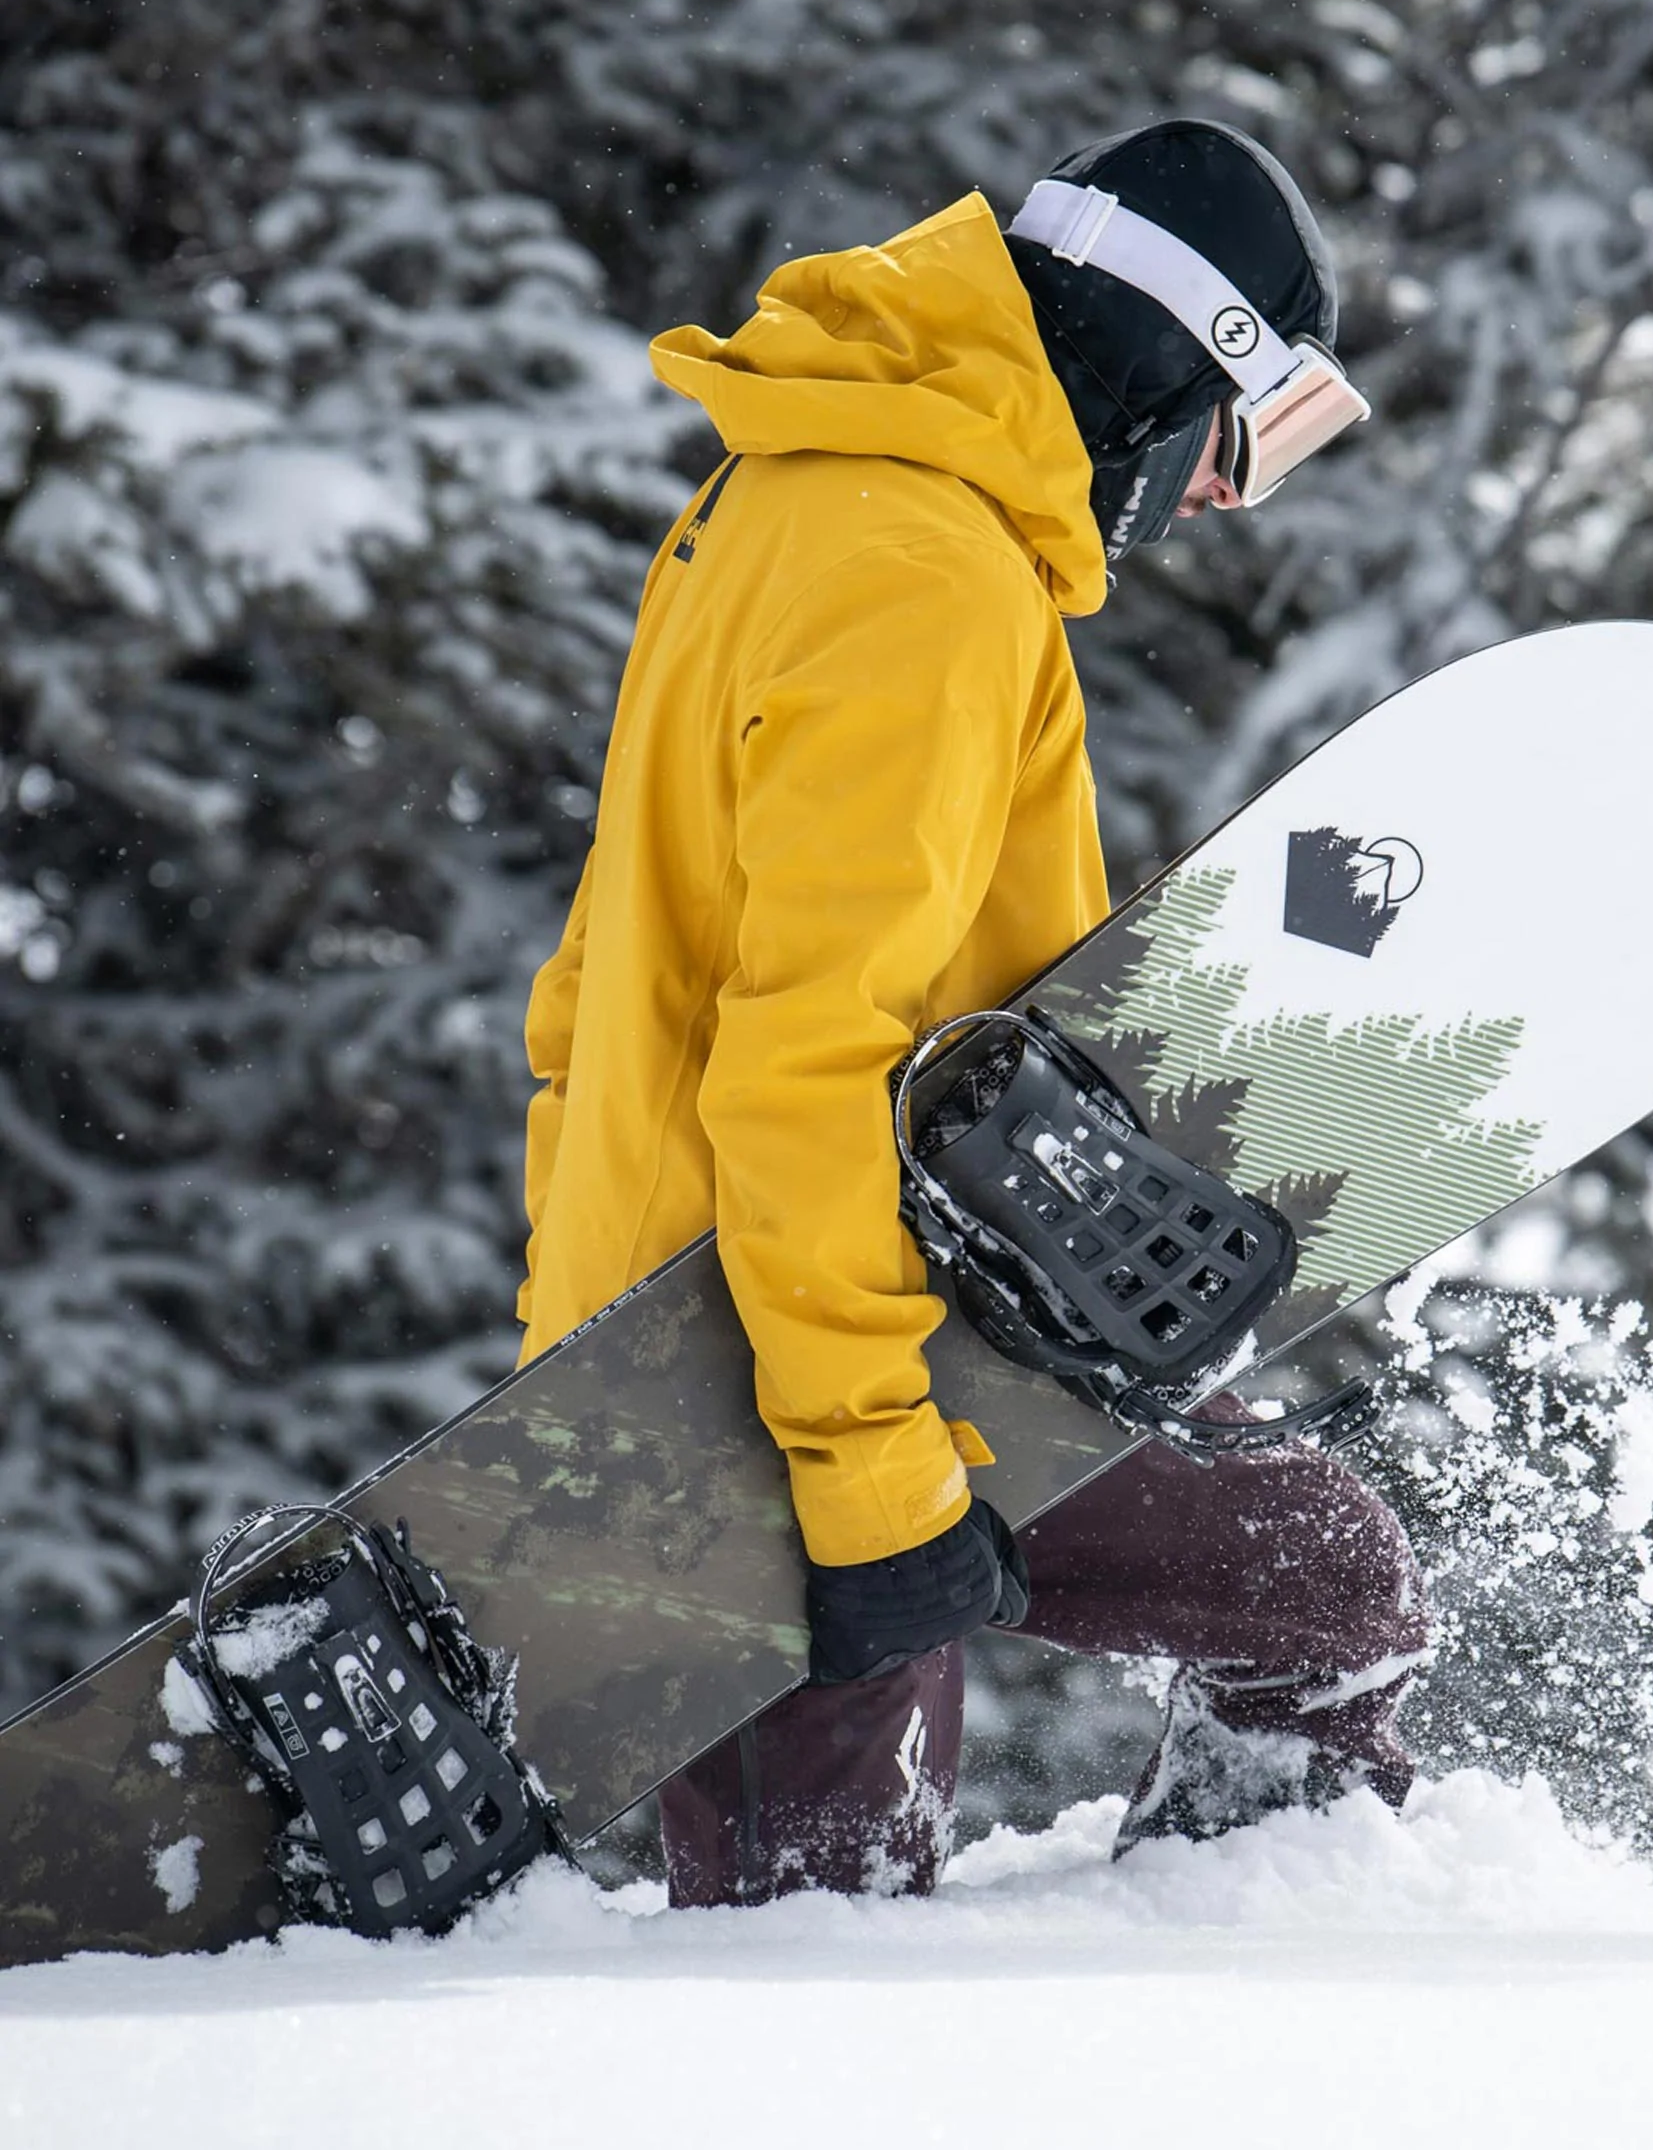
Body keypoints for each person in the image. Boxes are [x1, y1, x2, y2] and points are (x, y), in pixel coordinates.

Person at [511, 120, 1430, 1904]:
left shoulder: (809, 496)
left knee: (1314, 1571)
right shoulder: (917, 572)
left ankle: (1266, 1990)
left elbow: (594, 986)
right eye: (1264, 430)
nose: (1238, 492)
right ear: (1179, 361)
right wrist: (864, 1484)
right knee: (811, 1949)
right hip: (773, 1371)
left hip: (840, 1306)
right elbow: (806, 1058)